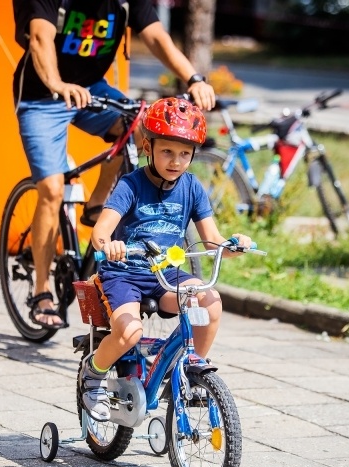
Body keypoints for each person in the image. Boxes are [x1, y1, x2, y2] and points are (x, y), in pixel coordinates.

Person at [14, 0, 216, 329]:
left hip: (92, 89)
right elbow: (39, 38)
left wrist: (193, 78)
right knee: (51, 190)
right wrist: (58, 84)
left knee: (140, 126)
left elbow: (156, 37)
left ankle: (97, 206)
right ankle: (41, 291)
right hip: (42, 94)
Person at [79, 97, 252, 421]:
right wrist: (109, 245)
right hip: (123, 273)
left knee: (210, 302)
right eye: (167, 152)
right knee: (129, 332)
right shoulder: (131, 184)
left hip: (164, 274)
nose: (176, 161)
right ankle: (94, 372)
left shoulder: (191, 187)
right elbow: (101, 231)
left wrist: (234, 245)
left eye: (185, 153)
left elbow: (213, 240)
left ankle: (191, 372)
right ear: (148, 146)